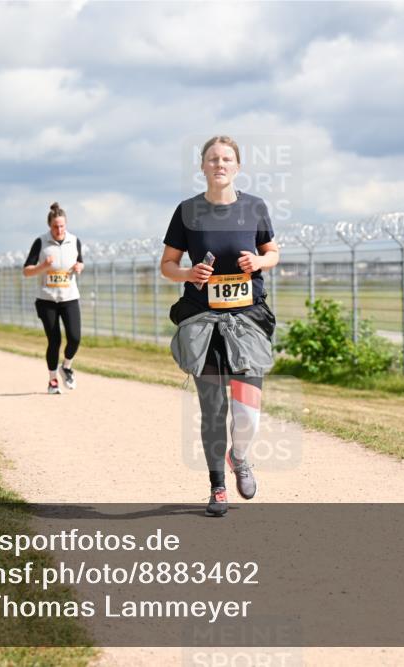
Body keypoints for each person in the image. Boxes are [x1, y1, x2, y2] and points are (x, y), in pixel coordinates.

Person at [160, 135, 280, 517]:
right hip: (203, 320)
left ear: (238, 166)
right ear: (203, 166)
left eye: (227, 158)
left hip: (247, 320)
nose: (219, 164)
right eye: (213, 159)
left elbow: (273, 252)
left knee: (248, 413)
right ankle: (217, 487)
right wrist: (188, 273)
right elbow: (166, 265)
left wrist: (259, 264)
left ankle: (239, 456)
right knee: (213, 407)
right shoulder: (187, 212)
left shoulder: (255, 208)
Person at [22, 202, 85, 395]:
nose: (59, 230)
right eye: (55, 227)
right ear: (49, 226)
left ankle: (66, 366)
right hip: (47, 300)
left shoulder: (74, 241)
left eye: (62, 226)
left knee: (74, 337)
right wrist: (43, 267)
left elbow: (80, 261)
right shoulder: (41, 242)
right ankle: (53, 381)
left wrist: (79, 267)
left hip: (69, 297)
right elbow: (26, 271)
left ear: (66, 225)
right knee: (54, 340)